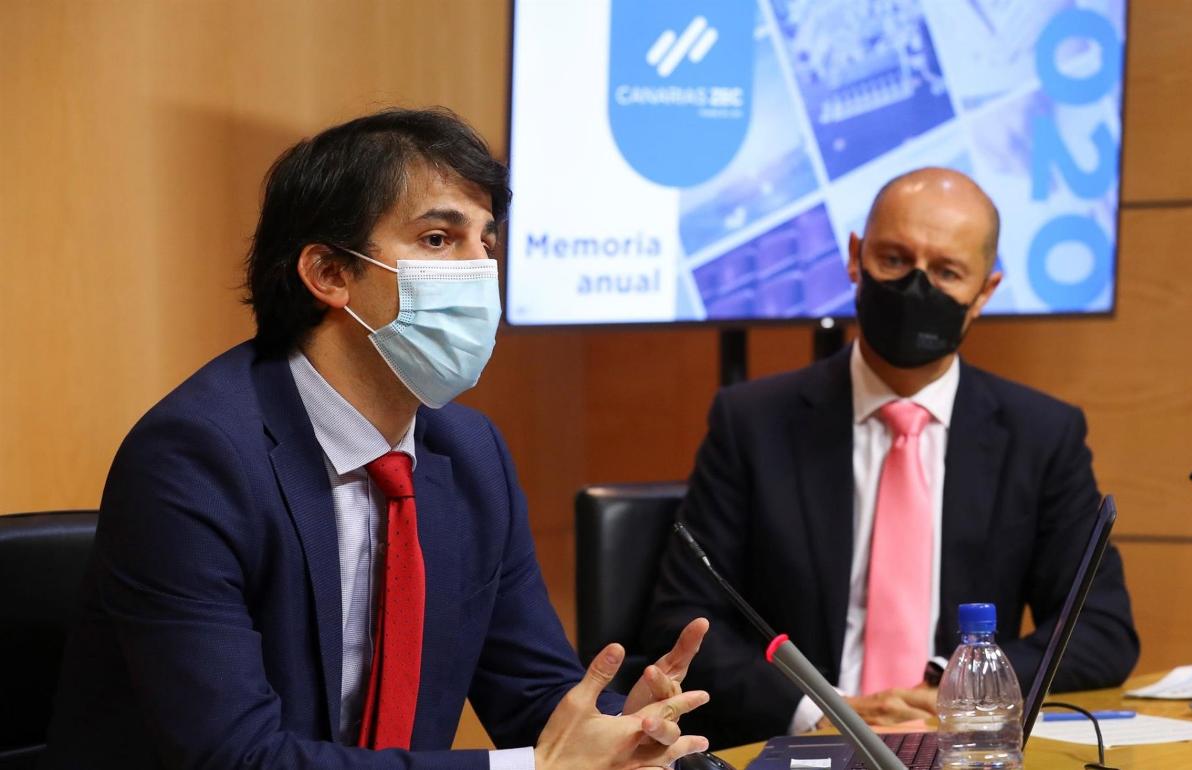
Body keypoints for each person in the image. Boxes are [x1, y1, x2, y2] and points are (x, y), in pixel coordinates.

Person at [45, 108, 712, 770]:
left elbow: (533, 695)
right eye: (436, 240)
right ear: (330, 274)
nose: (480, 270)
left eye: (485, 241)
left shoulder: (470, 454)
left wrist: (621, 729)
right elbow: (236, 757)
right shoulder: (194, 460)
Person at [641, 167, 1139, 749]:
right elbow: (684, 621)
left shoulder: (1041, 434)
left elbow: (1101, 630)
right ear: (856, 257)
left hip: (959, 748)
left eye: (948, 272)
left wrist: (965, 693)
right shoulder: (752, 422)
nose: (916, 288)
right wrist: (818, 712)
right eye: (895, 260)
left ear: (985, 292)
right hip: (806, 743)